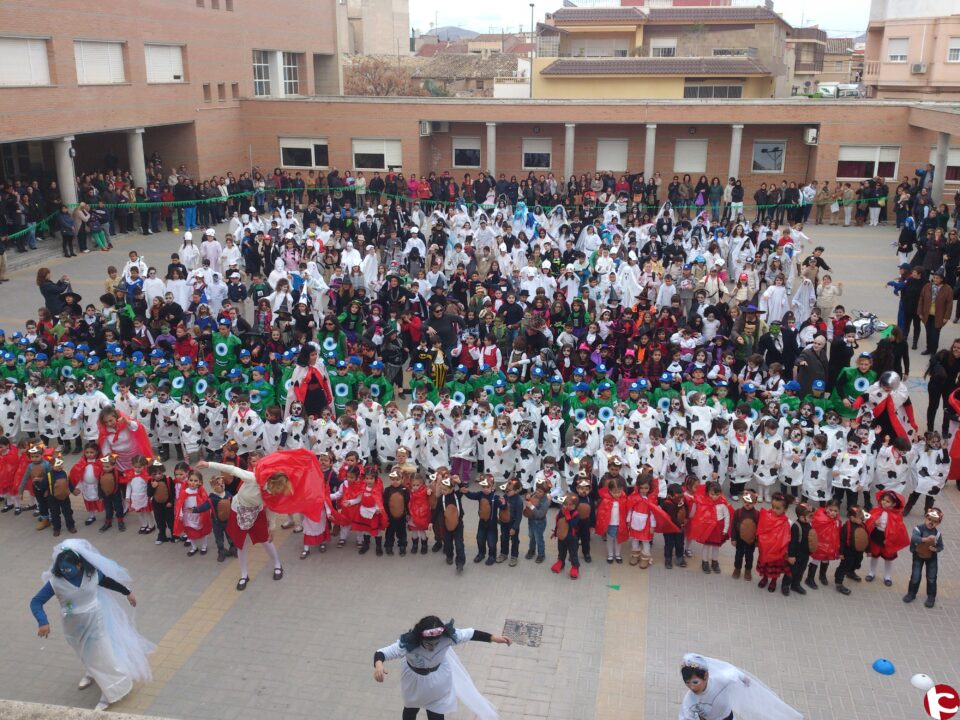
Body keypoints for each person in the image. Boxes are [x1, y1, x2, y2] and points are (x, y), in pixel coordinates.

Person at [29, 540, 154, 712]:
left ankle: (112, 691)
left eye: (69, 570)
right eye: (63, 570)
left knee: (103, 655)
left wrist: (127, 592)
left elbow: (108, 582)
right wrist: (42, 621)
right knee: (85, 653)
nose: (66, 574)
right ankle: (91, 672)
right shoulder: (55, 582)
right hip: (73, 626)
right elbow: (36, 601)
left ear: (79, 565)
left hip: (95, 621)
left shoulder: (92, 575)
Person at [373, 615, 512, 720]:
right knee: (410, 710)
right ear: (420, 638)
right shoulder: (408, 644)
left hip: (438, 680)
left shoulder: (448, 637)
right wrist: (379, 665)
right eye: (428, 644)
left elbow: (471, 634)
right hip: (414, 682)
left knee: (437, 713)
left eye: (436, 643)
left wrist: (493, 638)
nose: (433, 647)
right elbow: (381, 653)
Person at [678, 653, 802, 720]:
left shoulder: (720, 681)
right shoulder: (690, 700)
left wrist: (744, 678)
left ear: (705, 676)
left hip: (727, 717)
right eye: (687, 683)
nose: (692, 687)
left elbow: (733, 672)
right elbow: (686, 716)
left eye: (695, 682)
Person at [903, 507, 944, 608]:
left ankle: (931, 597)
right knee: (915, 575)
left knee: (931, 577)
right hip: (918, 555)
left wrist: (935, 549)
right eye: (929, 519)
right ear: (925, 518)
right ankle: (911, 593)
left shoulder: (938, 534)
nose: (931, 522)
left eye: (935, 521)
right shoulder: (918, 529)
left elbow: (940, 546)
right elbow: (914, 538)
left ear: (938, 523)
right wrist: (925, 539)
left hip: (931, 557)